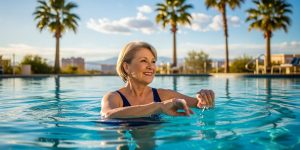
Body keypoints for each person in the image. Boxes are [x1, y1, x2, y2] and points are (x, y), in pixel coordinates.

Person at [101, 41, 215, 119]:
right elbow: (108, 115)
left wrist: (206, 97)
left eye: (153, 61)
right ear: (126, 67)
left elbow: (199, 104)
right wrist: (159, 107)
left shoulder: (164, 95)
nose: (151, 66)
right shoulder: (114, 97)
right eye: (144, 61)